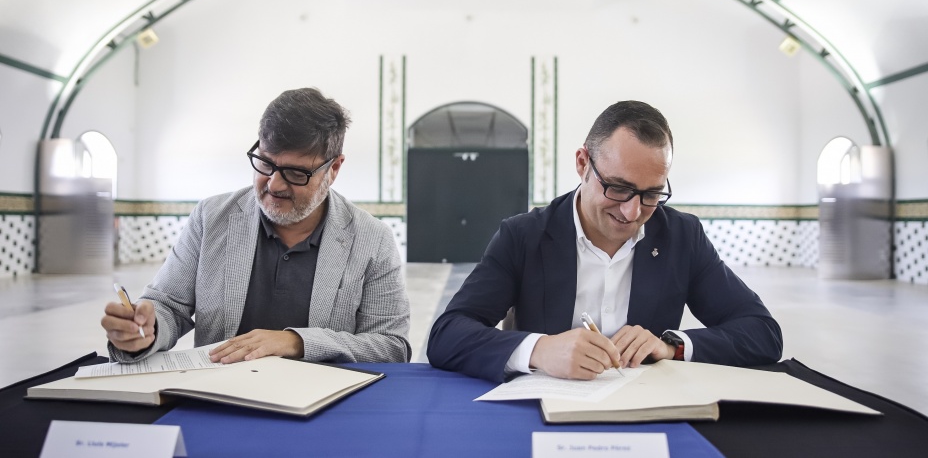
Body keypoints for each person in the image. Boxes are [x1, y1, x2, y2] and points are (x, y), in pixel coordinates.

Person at [427, 100, 782, 382]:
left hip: (645, 413)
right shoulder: (524, 235)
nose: (632, 212)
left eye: (652, 194)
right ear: (583, 163)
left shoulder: (682, 238)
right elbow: (448, 334)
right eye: (618, 188)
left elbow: (762, 332)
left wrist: (671, 346)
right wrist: (540, 350)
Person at [101, 88, 411, 364]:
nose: (274, 184)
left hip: (322, 408)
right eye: (265, 163)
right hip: (222, 397)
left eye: (295, 172)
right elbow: (168, 304)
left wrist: (296, 342)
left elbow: (391, 346)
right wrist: (146, 329)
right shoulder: (213, 217)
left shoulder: (373, 240)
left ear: (334, 168)